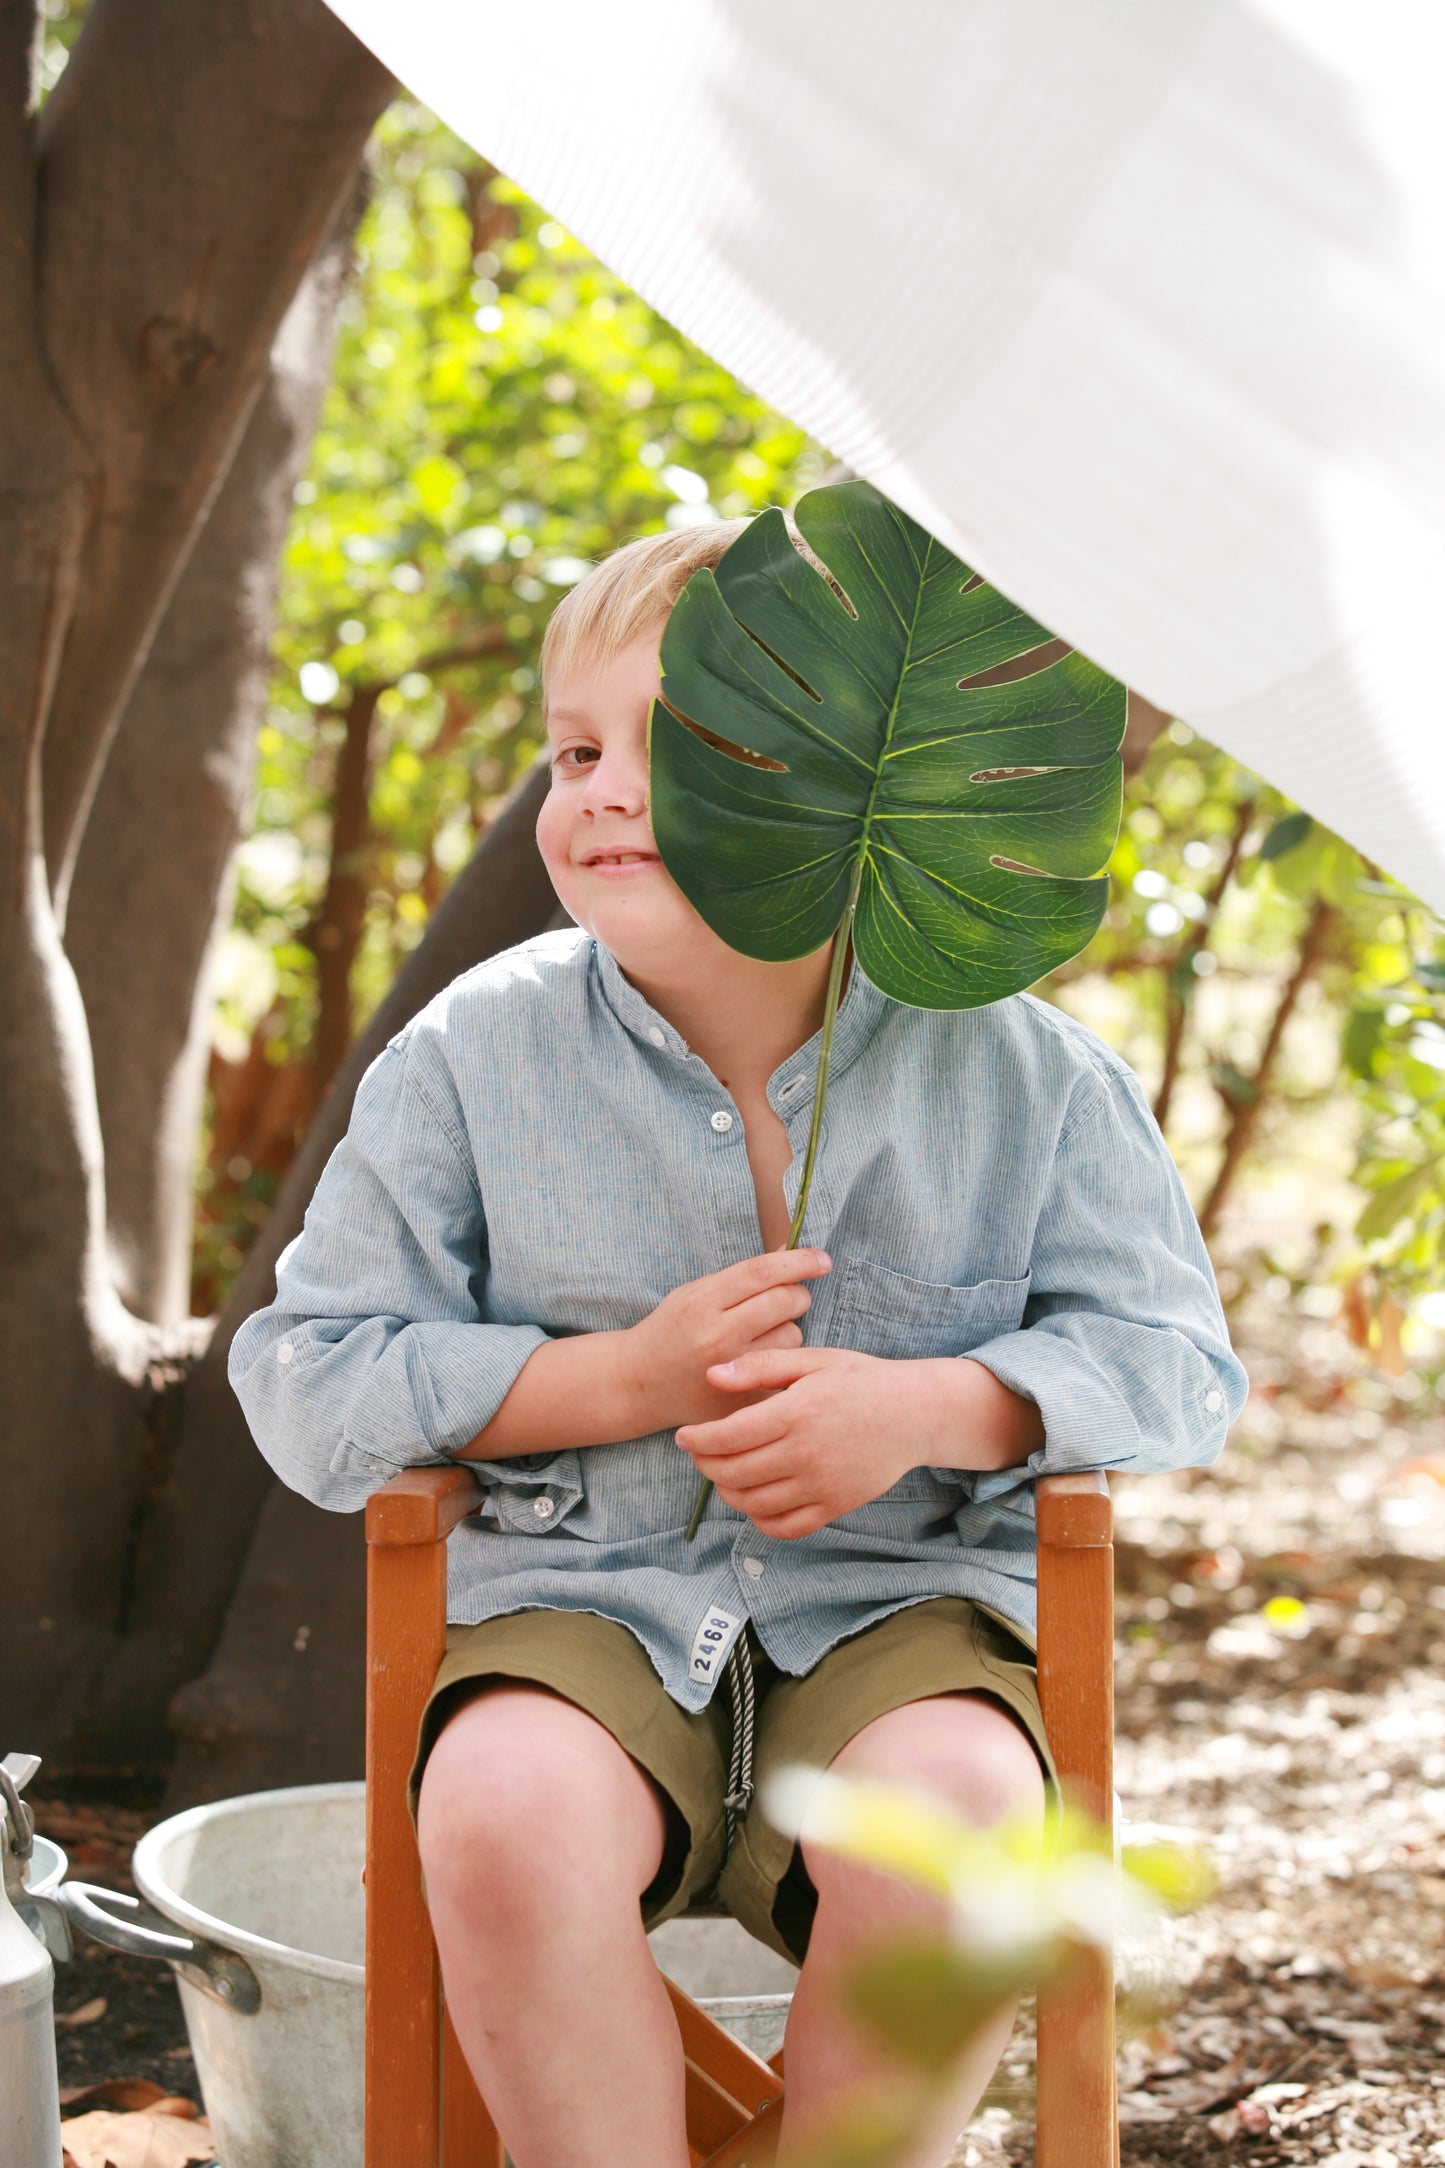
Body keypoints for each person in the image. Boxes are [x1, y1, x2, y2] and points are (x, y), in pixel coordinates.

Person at [230, 516, 1248, 2168]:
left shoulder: (1026, 1073)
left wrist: (937, 1408)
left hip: (901, 1616)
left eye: (677, 745)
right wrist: (612, 1383)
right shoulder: (470, 1058)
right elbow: (305, 1377)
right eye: (573, 747)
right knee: (497, 1811)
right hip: (581, 1611)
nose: (598, 791)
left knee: (964, 1828)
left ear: (852, 792)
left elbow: (1175, 1366)